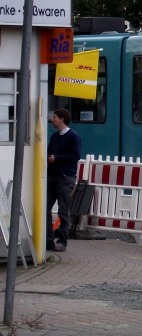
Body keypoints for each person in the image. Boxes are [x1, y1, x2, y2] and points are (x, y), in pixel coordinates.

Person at [46, 108, 82, 253]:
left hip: (65, 177)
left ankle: (62, 240)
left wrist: (57, 159)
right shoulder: (55, 137)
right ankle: (48, 240)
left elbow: (75, 156)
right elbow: (49, 152)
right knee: (45, 208)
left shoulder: (74, 137)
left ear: (61, 119)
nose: (52, 119)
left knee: (63, 209)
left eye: (54, 117)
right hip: (52, 175)